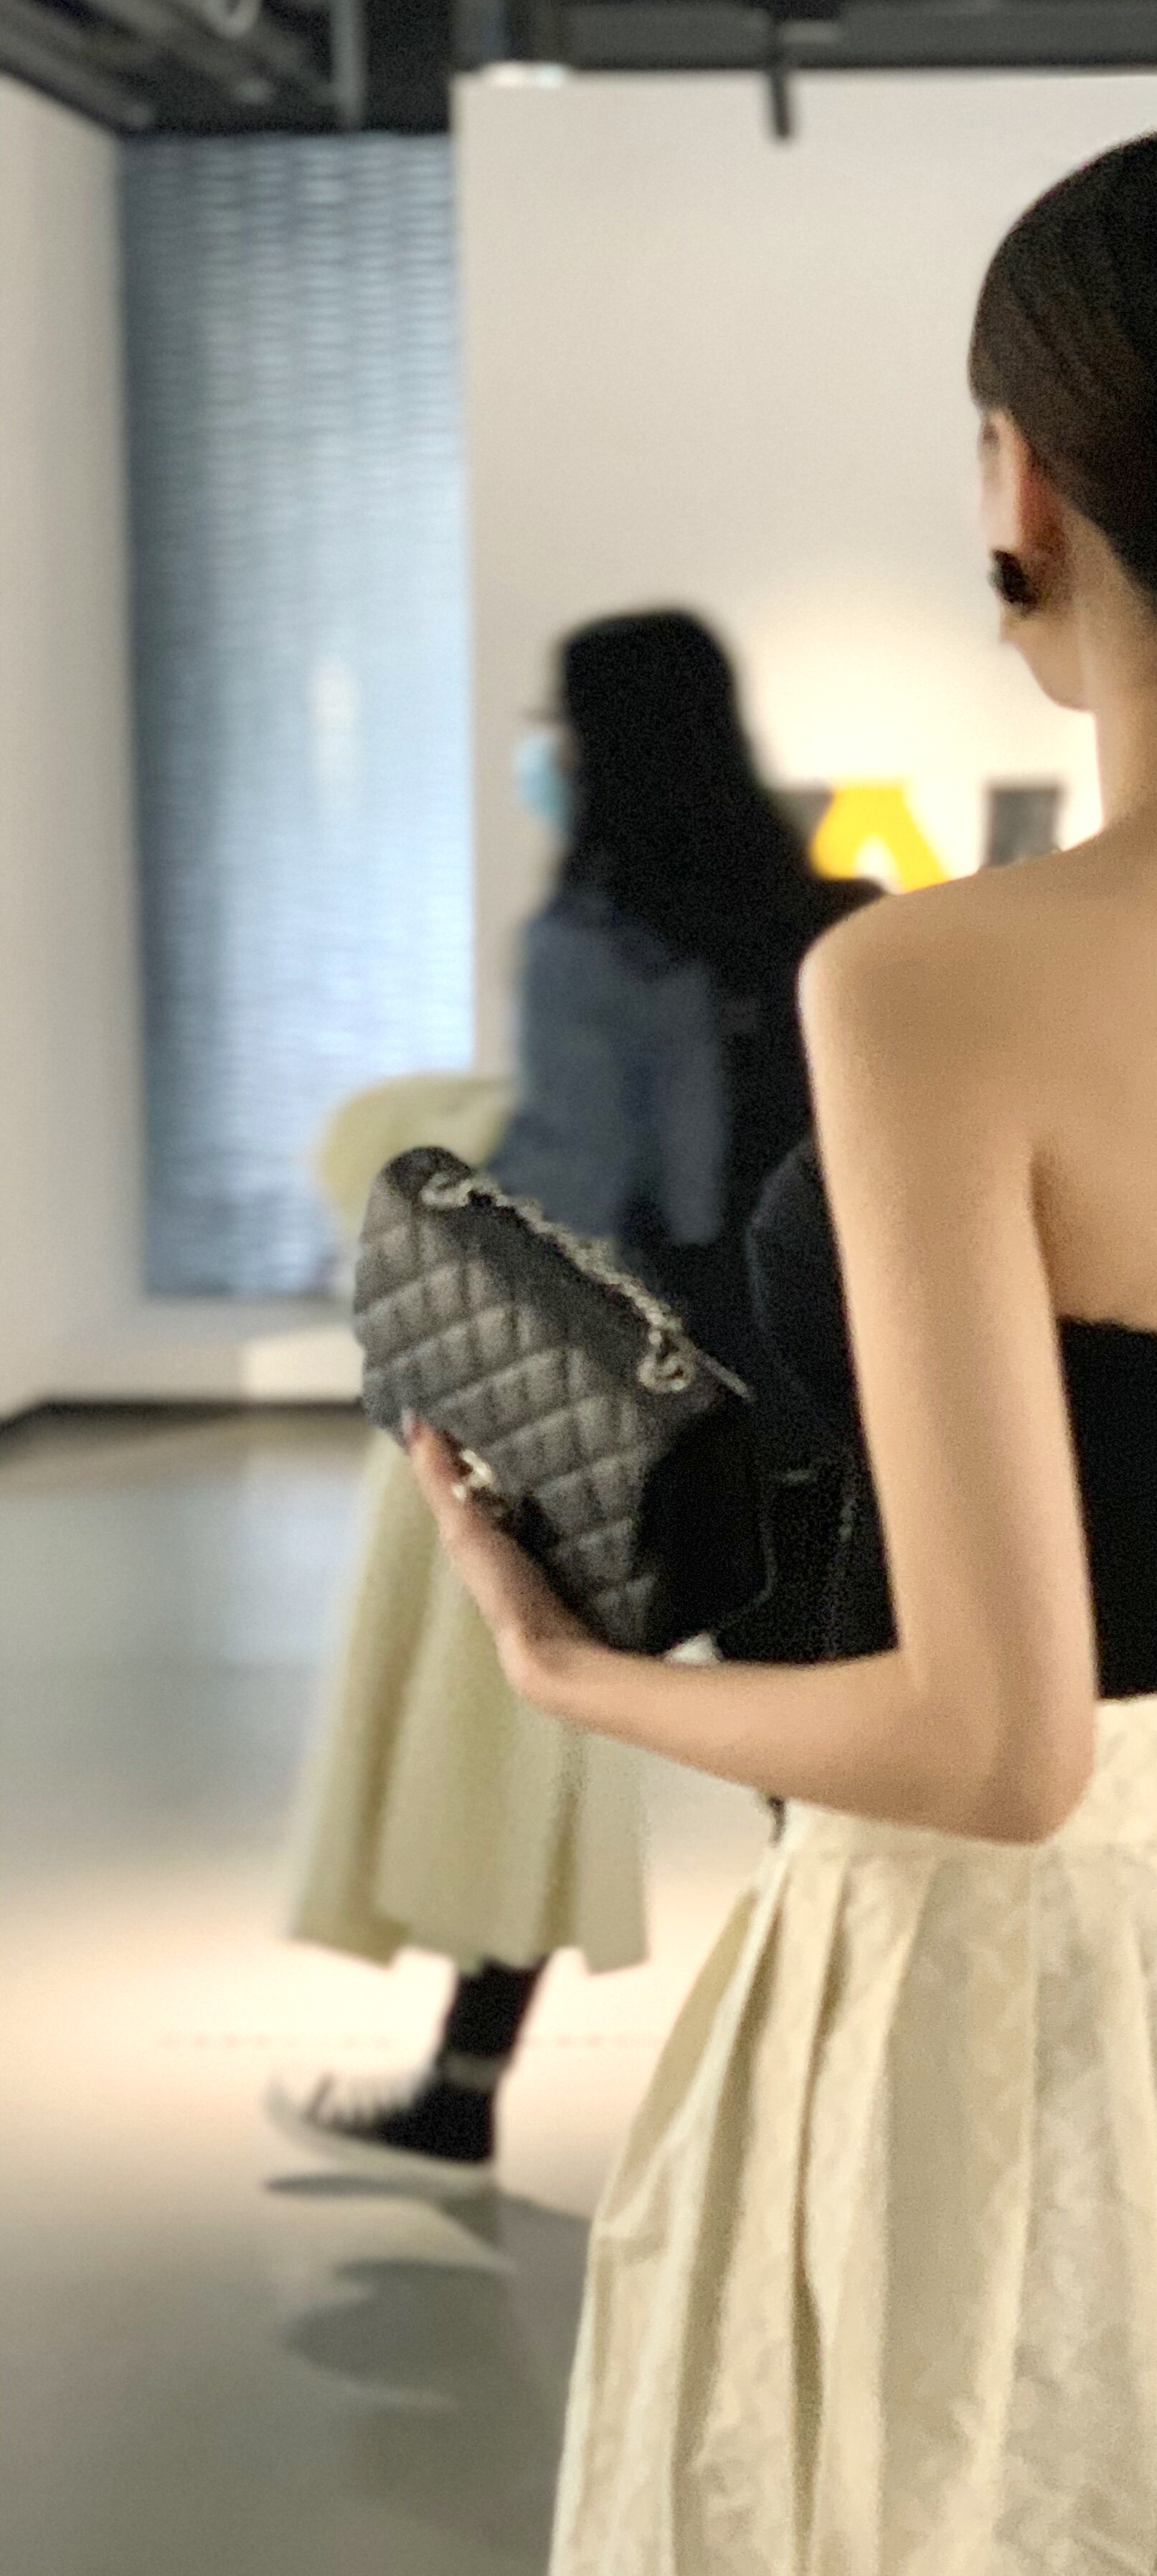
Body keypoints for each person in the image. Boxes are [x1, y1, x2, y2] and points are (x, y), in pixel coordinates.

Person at [406, 129, 1157, 2573]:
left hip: (977, 1993)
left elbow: (992, 1744)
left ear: (1024, 480)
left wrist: (572, 1675)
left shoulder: (930, 984)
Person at [269, 610, 872, 2190]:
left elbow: (581, 1187)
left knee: (543, 1722)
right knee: (813, 1755)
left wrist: (439, 1226)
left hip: (641, 1398)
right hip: (810, 1375)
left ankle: (463, 2089)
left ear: (601, 744)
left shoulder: (591, 938)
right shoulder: (813, 915)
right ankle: (866, 2085)